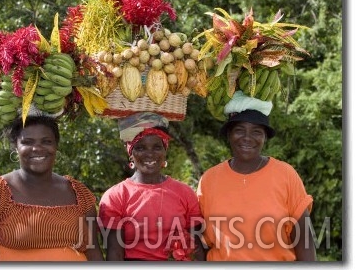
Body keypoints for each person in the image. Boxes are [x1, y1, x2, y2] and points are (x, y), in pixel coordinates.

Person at [0, 115, 104, 261]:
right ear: (15, 146)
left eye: (46, 141)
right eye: (27, 142)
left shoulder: (78, 192)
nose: (37, 148)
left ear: (56, 146)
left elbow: (93, 251)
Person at [197, 91, 316, 261]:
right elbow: (198, 241)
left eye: (256, 132)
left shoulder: (286, 175)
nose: (247, 138)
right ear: (229, 134)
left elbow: (305, 242)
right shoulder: (209, 180)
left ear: (265, 137)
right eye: (239, 130)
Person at [98, 112, 205, 261]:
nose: (150, 154)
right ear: (130, 153)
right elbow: (114, 255)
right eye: (141, 148)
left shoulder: (185, 193)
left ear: (165, 150)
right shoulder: (115, 197)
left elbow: (197, 248)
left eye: (156, 147)